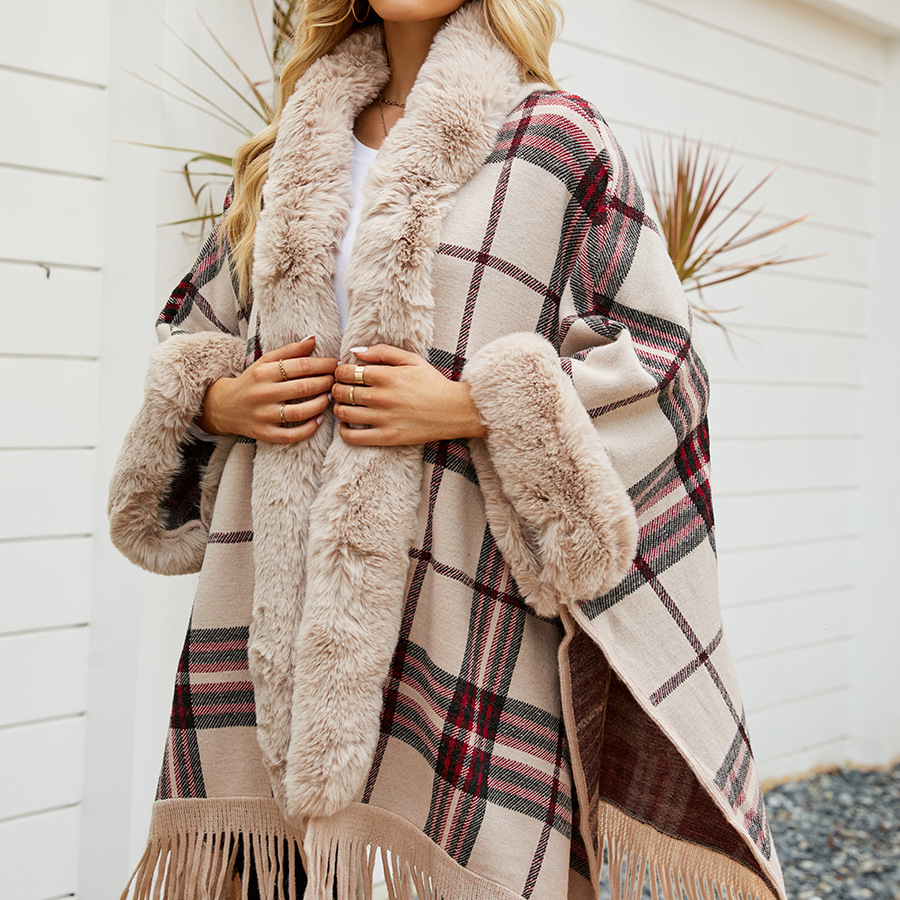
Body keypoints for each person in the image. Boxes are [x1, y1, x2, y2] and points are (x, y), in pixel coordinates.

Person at [108, 1, 787, 898]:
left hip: (460, 579)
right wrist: (218, 397)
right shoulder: (294, 142)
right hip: (274, 584)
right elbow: (196, 327)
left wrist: (472, 405)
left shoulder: (558, 141)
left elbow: (664, 366)